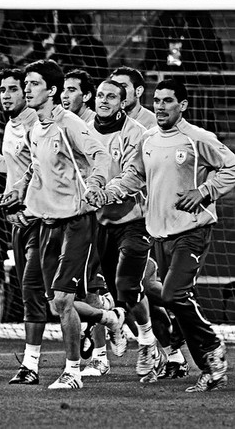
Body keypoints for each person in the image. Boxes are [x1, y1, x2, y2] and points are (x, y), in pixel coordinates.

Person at [102, 79, 234, 392]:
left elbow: (231, 165)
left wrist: (205, 190)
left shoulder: (197, 138)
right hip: (158, 234)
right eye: (157, 100)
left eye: (168, 101)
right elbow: (134, 175)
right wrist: (109, 193)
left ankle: (212, 344)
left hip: (192, 230)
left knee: (174, 294)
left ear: (183, 105)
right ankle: (210, 369)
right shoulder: (148, 139)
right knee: (170, 298)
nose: (160, 106)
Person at [0, 60, 122, 390]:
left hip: (76, 223)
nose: (27, 89)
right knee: (54, 301)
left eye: (34, 84)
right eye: (26, 83)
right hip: (47, 223)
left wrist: (96, 185)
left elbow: (100, 156)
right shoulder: (33, 129)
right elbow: (34, 171)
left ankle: (72, 371)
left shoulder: (69, 124)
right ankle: (108, 317)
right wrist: (14, 192)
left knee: (64, 301)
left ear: (51, 91)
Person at [83, 80, 167, 382]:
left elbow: (134, 174)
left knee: (126, 286)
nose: (105, 101)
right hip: (98, 222)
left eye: (112, 97)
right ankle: (114, 330)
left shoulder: (137, 134)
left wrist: (106, 191)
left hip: (134, 221)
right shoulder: (83, 130)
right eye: (101, 95)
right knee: (102, 290)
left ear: (123, 102)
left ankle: (147, 342)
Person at [0, 68, 45, 385]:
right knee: (36, 293)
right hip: (17, 218)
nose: (6, 94)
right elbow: (16, 171)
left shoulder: (37, 124)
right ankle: (107, 316)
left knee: (36, 291)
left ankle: (31, 365)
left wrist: (19, 199)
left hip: (40, 218)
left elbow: (39, 170)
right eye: (2, 89)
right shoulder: (11, 126)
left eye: (13, 89)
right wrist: (9, 203)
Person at [144, 0, 225, 72]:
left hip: (195, 70)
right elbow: (154, 43)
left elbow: (207, 41)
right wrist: (146, 65)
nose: (170, 0)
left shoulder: (199, 17)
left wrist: (208, 64)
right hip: (169, 70)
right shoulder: (164, 19)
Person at [66, 13, 108, 85]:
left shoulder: (96, 45)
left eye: (81, 24)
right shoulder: (67, 43)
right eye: (75, 24)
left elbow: (103, 71)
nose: (77, 27)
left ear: (88, 26)